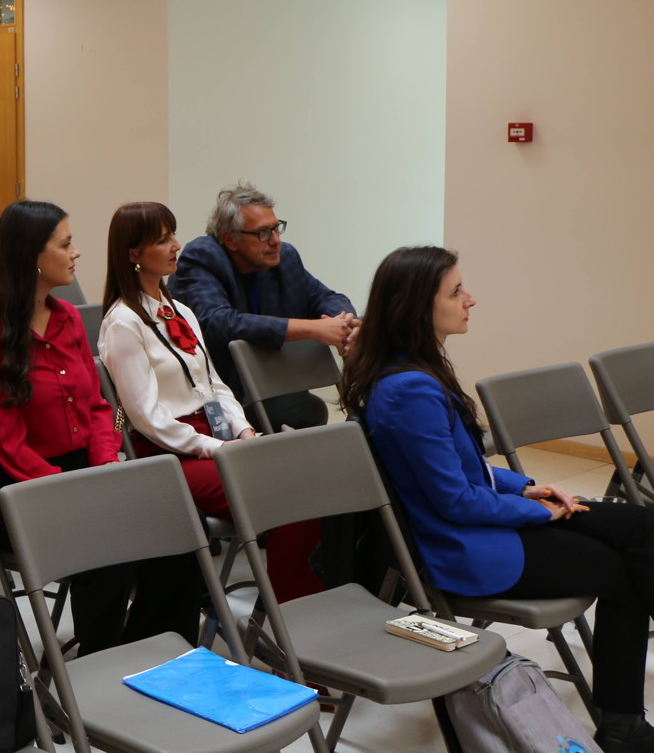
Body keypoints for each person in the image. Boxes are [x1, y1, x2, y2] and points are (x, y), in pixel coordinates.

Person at [342, 246, 654, 753]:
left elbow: (466, 467)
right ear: (417, 308)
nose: (471, 299)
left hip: (485, 522)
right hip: (467, 547)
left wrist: (525, 488)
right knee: (622, 570)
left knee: (640, 527)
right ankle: (623, 727)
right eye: (456, 292)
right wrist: (537, 511)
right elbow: (454, 501)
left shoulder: (414, 370)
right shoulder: (410, 390)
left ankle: (623, 726)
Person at [0, 199, 200, 653]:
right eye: (65, 244)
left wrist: (105, 463)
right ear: (31, 256)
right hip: (18, 487)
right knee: (107, 552)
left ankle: (153, 653)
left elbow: (102, 409)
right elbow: (8, 446)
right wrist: (83, 491)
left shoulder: (66, 317)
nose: (76, 253)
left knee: (178, 530)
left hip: (84, 470)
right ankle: (101, 664)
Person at [98, 200, 322, 602]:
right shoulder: (123, 323)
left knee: (310, 482)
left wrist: (245, 431)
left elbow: (215, 386)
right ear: (133, 254)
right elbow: (146, 417)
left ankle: (302, 602)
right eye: (162, 240)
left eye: (173, 235)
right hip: (168, 453)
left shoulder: (180, 310)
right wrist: (215, 447)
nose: (176, 245)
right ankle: (292, 610)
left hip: (215, 439)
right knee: (285, 497)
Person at [172, 181, 358, 431]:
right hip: (218, 393)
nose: (275, 240)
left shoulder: (284, 258)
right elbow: (218, 322)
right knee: (306, 411)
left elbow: (324, 297)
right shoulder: (203, 257)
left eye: (276, 228)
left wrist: (346, 322)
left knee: (310, 409)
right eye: (263, 233)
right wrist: (313, 329)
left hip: (268, 384)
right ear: (230, 239)